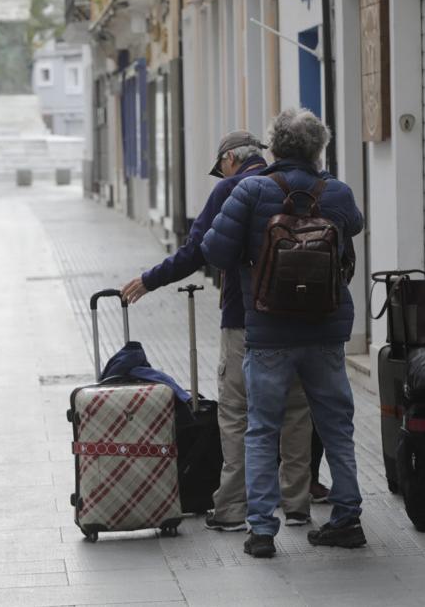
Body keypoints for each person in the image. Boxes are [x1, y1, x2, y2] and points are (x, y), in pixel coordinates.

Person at [121, 130, 319, 532]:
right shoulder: (305, 185)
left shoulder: (232, 189)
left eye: (221, 166)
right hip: (305, 318)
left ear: (230, 159)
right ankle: (296, 502)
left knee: (237, 411)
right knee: (297, 410)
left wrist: (149, 279)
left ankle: (232, 507)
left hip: (247, 319)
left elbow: (197, 251)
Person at [201, 108, 366, 558]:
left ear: (273, 147)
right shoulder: (337, 193)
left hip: (269, 331)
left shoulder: (250, 191)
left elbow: (213, 250)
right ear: (319, 149)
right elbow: (353, 225)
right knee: (335, 426)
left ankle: (260, 530)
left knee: (260, 428)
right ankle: (347, 517)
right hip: (326, 330)